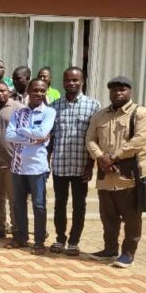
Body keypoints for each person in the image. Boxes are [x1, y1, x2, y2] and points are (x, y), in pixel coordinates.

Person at [85, 76, 146, 269]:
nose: (117, 93)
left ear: (130, 91)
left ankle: (128, 254)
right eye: (114, 90)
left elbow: (139, 140)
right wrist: (101, 157)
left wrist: (113, 156)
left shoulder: (141, 114)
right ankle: (109, 249)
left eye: (122, 89)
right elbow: (90, 139)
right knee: (108, 216)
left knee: (131, 217)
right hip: (106, 174)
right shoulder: (100, 116)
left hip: (130, 174)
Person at [49, 67, 100, 256]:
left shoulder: (93, 106)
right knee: (59, 203)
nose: (71, 83)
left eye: (75, 80)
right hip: (60, 165)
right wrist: (47, 161)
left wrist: (90, 165)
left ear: (82, 81)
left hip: (81, 166)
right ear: (63, 82)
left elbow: (95, 138)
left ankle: (74, 241)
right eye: (68, 80)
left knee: (79, 204)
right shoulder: (54, 107)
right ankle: (60, 238)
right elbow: (51, 138)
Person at [5, 79, 57, 254]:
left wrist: (22, 131)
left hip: (37, 168)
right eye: (35, 90)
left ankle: (39, 241)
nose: (39, 94)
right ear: (28, 91)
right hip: (18, 167)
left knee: (39, 205)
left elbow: (43, 133)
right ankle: (21, 238)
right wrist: (32, 138)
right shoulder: (18, 113)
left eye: (42, 91)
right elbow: (9, 135)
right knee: (18, 204)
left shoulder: (49, 112)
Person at [0, 81, 24, 241]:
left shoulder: (18, 108)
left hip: (13, 162)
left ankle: (17, 230)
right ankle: (0, 227)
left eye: (2, 91)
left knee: (14, 198)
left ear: (8, 91)